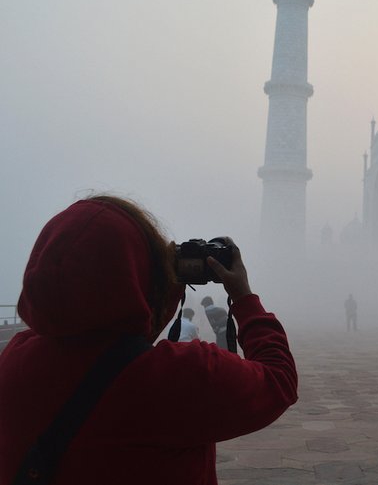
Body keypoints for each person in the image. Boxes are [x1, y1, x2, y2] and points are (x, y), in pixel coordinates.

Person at [0, 195, 297, 484]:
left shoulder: (13, 359)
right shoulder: (174, 378)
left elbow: (116, 346)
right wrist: (243, 297)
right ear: (135, 273)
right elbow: (279, 380)